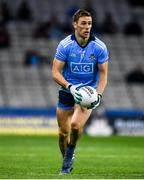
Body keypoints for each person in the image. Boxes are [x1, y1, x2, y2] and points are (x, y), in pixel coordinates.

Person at [52, 9, 109, 174]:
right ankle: (68, 156)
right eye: (83, 23)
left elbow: (104, 76)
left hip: (88, 93)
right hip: (67, 90)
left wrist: (98, 95)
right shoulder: (65, 45)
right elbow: (55, 73)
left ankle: (68, 160)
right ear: (75, 24)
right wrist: (70, 87)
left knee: (76, 126)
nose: (87, 27)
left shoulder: (99, 47)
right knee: (63, 133)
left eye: (89, 23)